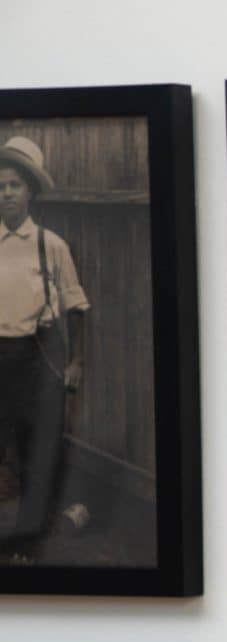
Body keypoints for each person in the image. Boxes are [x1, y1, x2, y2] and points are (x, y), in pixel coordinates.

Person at [0, 137, 89, 563]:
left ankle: (26, 544)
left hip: (39, 359)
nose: (6, 193)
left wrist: (75, 361)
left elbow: (76, 306)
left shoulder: (49, 245)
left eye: (15, 185)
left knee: (38, 452)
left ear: (30, 191)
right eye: (0, 186)